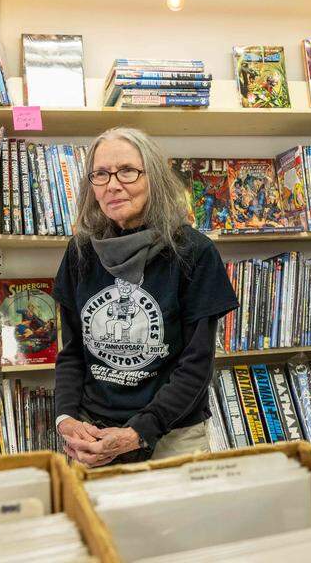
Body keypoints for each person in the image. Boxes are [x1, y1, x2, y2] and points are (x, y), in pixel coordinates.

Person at [52, 127, 238, 467]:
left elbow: (196, 366)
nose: (113, 184)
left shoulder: (194, 252)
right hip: (93, 436)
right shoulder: (79, 252)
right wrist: (65, 419)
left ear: (153, 176)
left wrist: (138, 433)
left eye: (127, 171)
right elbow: (72, 351)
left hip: (172, 436)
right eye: (101, 174)